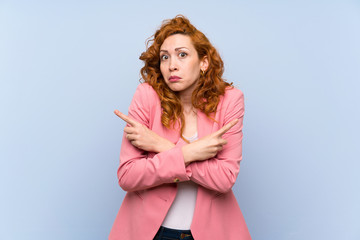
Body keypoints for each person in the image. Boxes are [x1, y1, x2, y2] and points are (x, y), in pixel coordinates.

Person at [109, 15, 252, 240]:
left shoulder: (230, 101)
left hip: (209, 232)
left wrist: (162, 146)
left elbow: (224, 179)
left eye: (182, 55)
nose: (171, 65)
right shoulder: (146, 96)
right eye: (164, 57)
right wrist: (188, 152)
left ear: (203, 62)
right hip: (150, 231)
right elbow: (127, 176)